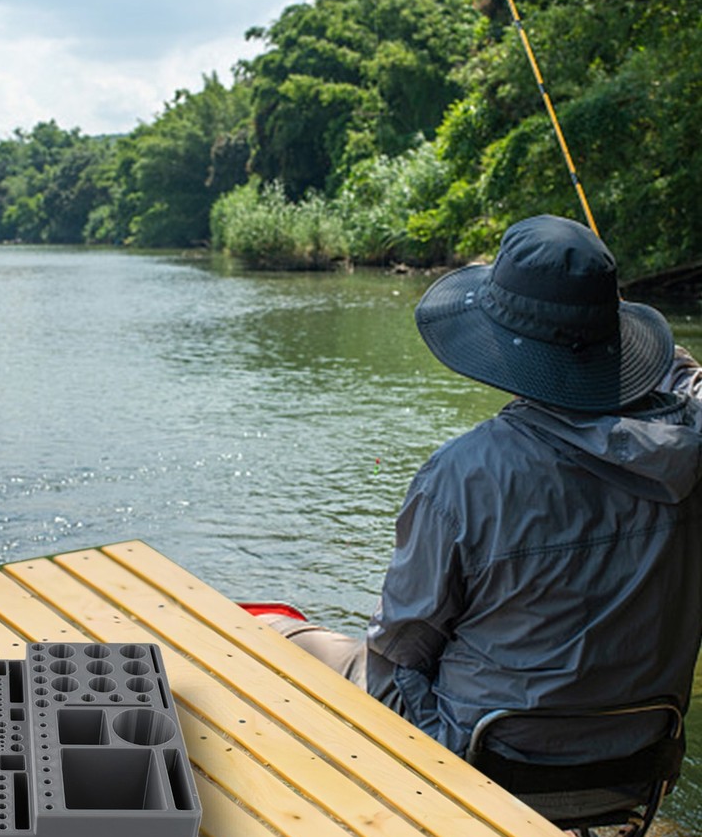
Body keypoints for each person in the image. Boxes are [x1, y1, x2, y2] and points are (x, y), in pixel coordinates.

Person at [265, 214, 702, 759]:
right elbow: (687, 392)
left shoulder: (462, 474)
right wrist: (664, 367)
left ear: (500, 344)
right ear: (616, 342)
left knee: (278, 640)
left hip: (485, 753)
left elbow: (403, 646)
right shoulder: (689, 455)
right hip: (638, 752)